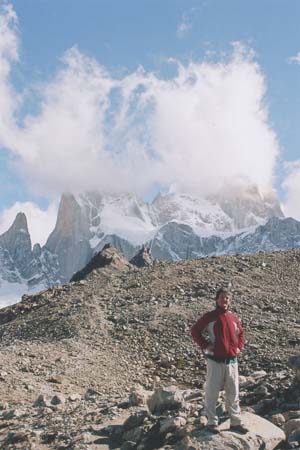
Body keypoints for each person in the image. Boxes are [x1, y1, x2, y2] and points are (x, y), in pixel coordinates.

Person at [191, 287, 248, 434]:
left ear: (230, 301)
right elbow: (195, 330)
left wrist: (239, 347)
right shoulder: (210, 316)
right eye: (222, 297)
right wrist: (205, 345)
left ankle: (235, 422)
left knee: (233, 392)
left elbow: (241, 333)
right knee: (212, 392)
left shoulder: (233, 317)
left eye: (227, 298)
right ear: (217, 299)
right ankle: (211, 422)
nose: (225, 300)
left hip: (232, 361)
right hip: (215, 360)